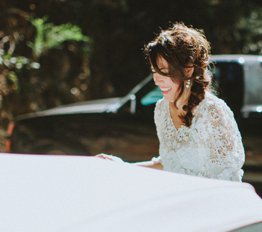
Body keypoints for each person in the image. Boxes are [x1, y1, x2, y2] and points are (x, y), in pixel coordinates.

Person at [100, 23, 245, 182]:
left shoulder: (212, 111)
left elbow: (229, 177)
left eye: (164, 72)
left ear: (188, 70)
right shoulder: (161, 109)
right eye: (154, 71)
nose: (156, 80)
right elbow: (167, 165)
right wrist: (122, 166)